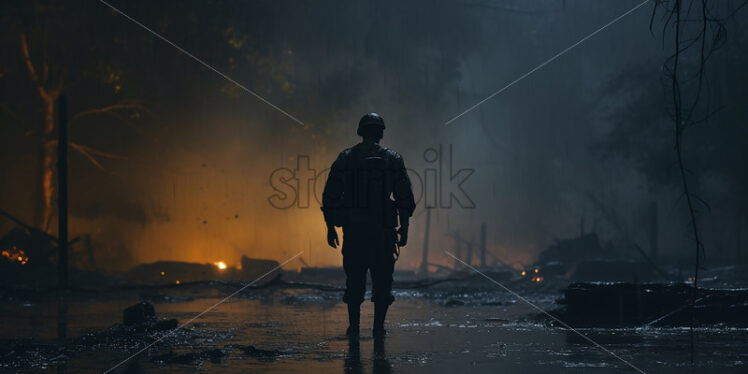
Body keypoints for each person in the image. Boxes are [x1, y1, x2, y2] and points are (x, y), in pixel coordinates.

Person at [321, 113, 415, 339]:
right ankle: (378, 329)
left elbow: (331, 196)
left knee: (354, 281)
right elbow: (404, 197)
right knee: (382, 282)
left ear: (361, 131)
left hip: (355, 232)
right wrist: (404, 227)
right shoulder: (393, 159)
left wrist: (330, 227)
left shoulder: (345, 158)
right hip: (383, 232)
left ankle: (354, 328)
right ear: (380, 132)